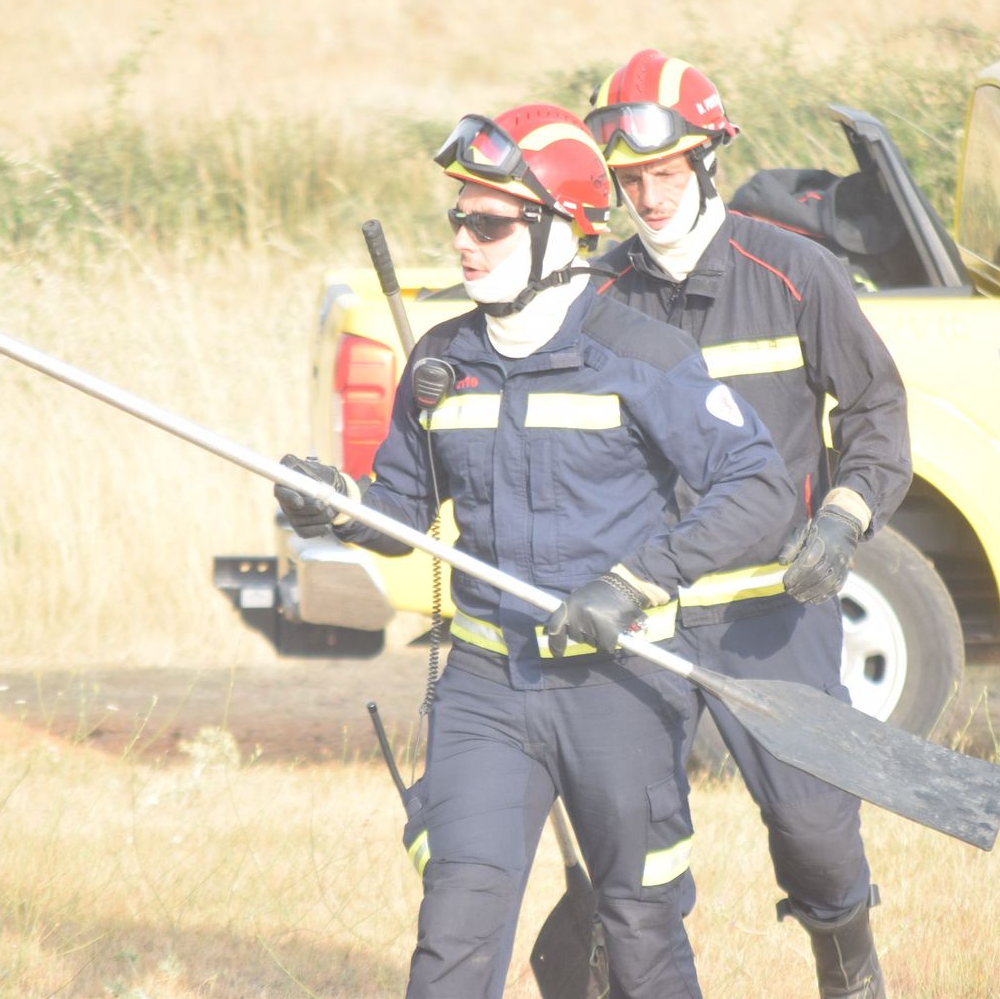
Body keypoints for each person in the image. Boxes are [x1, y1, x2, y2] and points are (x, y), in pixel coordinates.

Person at [273, 103, 796, 999]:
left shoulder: (643, 353)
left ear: (563, 231)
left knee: (641, 932)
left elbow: (759, 485)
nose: (464, 243)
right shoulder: (445, 358)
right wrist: (341, 506)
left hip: (620, 685)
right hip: (484, 689)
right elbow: (405, 502)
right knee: (453, 936)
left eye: (490, 223)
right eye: (458, 221)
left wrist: (634, 584)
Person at [584, 49, 913, 999]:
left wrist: (843, 524)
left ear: (709, 160)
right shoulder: (596, 302)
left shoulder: (798, 272)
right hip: (639, 614)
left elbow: (876, 413)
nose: (647, 197)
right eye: (630, 179)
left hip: (773, 611)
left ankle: (848, 966)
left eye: (666, 171)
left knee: (814, 827)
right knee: (628, 842)